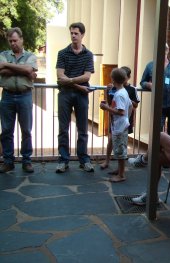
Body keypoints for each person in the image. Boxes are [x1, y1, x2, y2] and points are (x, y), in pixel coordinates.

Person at [55, 22, 95, 173]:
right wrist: (78, 85)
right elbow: (60, 76)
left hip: (80, 95)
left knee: (83, 128)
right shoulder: (63, 53)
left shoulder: (88, 54)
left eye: (76, 33)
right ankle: (63, 160)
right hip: (66, 94)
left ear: (82, 35)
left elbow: (86, 75)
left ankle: (84, 159)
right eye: (71, 33)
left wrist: (69, 80)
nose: (73, 36)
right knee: (63, 128)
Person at [0, 27, 37, 173]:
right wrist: (23, 69)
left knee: (26, 130)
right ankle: (8, 161)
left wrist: (8, 66)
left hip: (24, 95)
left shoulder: (30, 56)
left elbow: (29, 70)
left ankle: (26, 161)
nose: (13, 43)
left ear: (21, 40)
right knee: (7, 130)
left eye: (15, 40)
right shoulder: (3, 54)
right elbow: (1, 70)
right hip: (7, 95)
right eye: (10, 41)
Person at [140, 43, 170, 139]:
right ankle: (158, 152)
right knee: (157, 130)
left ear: (168, 50)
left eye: (165, 48)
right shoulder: (150, 66)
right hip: (159, 104)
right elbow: (142, 82)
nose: (163, 50)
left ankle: (169, 152)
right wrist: (149, 85)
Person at [99, 66, 140, 172]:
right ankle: (119, 170)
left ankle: (121, 174)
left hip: (120, 124)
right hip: (119, 123)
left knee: (120, 147)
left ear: (113, 79)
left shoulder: (121, 94)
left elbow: (122, 110)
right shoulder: (120, 91)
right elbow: (129, 106)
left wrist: (106, 108)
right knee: (118, 145)